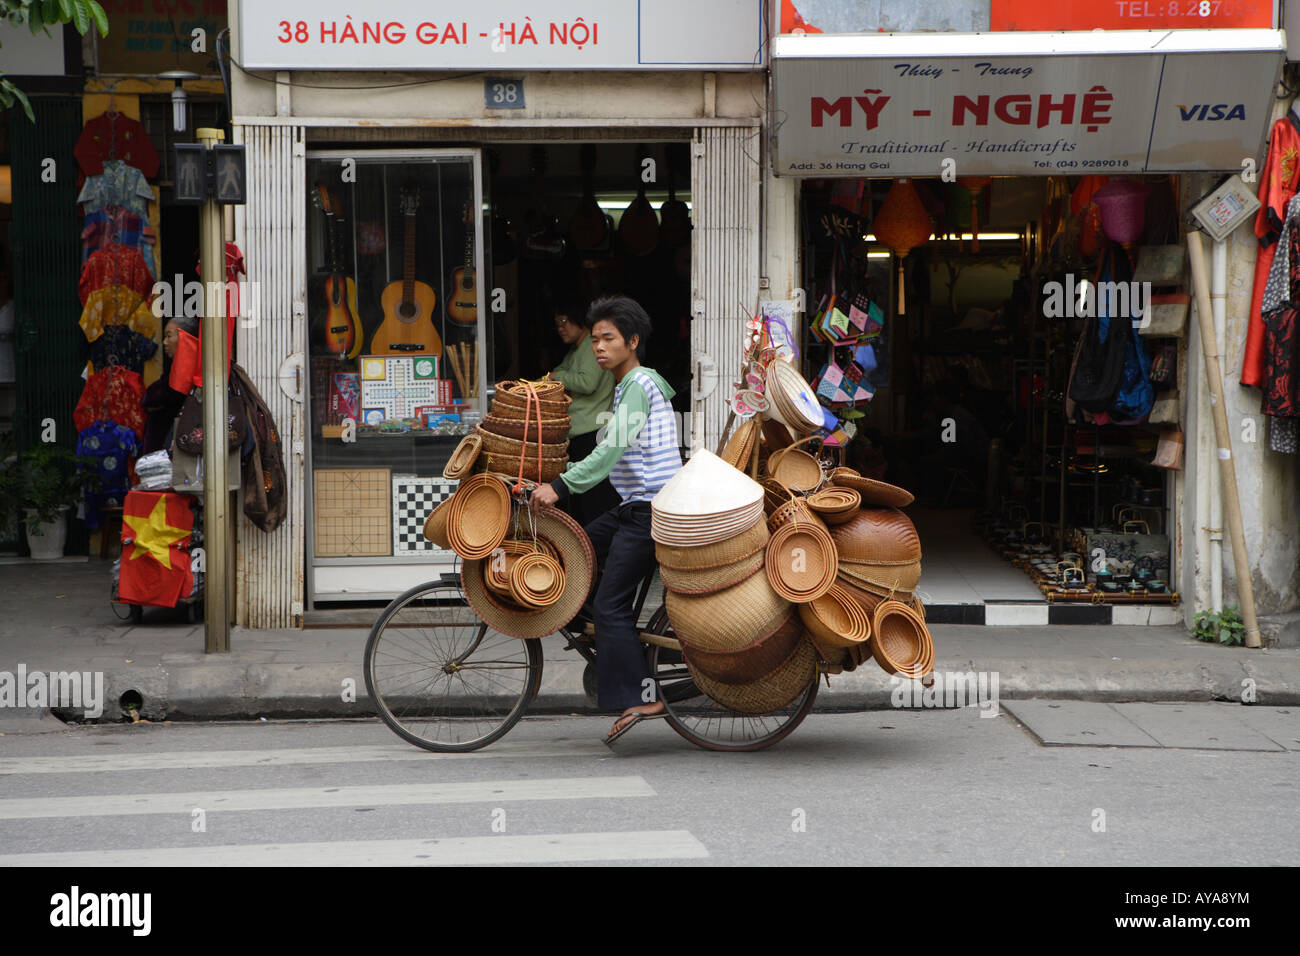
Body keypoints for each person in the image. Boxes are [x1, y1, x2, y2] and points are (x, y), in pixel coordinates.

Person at [530, 295, 682, 742]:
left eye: (608, 338)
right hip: (632, 507)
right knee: (572, 553)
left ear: (632, 341)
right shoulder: (626, 385)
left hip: (649, 512)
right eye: (594, 339)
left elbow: (611, 447)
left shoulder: (639, 384)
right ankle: (602, 642)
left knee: (611, 605)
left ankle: (643, 694)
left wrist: (559, 487)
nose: (598, 347)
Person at [546, 297, 618, 523]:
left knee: (594, 504)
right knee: (583, 503)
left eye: (565, 321)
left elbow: (587, 382)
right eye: (557, 323)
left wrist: (558, 377)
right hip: (582, 433)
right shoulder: (576, 351)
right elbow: (558, 371)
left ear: (580, 320)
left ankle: (596, 554)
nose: (561, 328)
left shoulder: (589, 346)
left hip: (593, 432)